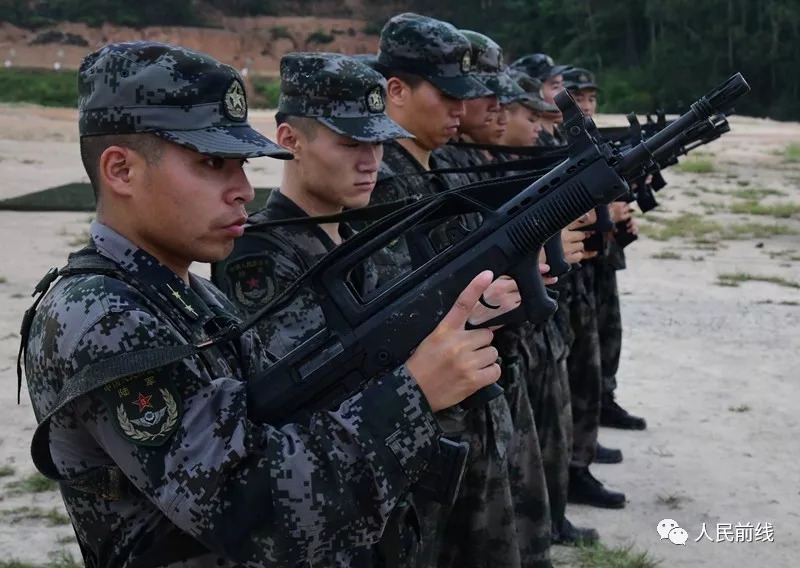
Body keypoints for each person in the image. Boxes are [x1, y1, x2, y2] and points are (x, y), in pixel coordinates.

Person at [20, 41, 506, 568]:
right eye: (212, 163)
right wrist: (412, 393)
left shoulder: (186, 293)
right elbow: (253, 507)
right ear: (121, 171)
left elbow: (289, 423)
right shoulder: (102, 316)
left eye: (242, 165)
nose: (244, 190)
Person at [370, 14, 553, 568]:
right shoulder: (383, 185)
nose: (464, 109)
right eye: (447, 94)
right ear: (395, 90)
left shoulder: (433, 172)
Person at [561, 67, 647, 432]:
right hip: (577, 260)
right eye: (577, 98)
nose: (586, 105)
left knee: (608, 332)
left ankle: (603, 401)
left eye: (591, 98)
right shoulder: (561, 144)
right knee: (584, 346)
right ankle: (590, 416)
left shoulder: (594, 140)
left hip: (601, 255)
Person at [509, 54, 570, 147]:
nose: (564, 92)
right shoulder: (528, 142)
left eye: (563, 85)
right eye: (555, 86)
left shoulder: (561, 138)